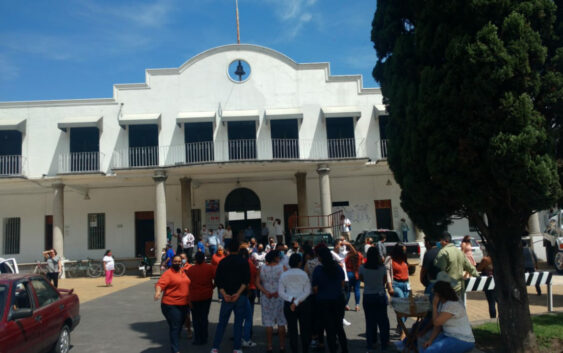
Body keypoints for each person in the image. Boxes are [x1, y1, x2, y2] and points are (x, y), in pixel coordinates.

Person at [210, 239, 250, 353]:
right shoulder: (243, 262)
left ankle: (215, 347)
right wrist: (238, 293)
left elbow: (218, 280)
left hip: (226, 296)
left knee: (222, 322)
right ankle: (237, 348)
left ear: (227, 249)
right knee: (238, 323)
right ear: (238, 248)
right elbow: (246, 281)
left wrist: (224, 294)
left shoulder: (223, 262)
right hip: (240, 296)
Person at [420, 272, 475, 353]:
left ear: (439, 293)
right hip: (449, 335)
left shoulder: (452, 304)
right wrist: (430, 340)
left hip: (461, 339)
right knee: (425, 348)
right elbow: (437, 327)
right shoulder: (443, 303)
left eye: (434, 291)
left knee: (430, 351)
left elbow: (436, 323)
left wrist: (434, 306)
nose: (433, 292)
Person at [312, 247, 348, 353]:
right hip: (338, 299)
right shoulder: (338, 268)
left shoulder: (318, 270)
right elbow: (342, 283)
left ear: (320, 257)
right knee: (339, 327)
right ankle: (345, 349)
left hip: (323, 301)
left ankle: (332, 349)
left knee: (329, 328)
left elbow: (315, 288)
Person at [154, 255, 191, 353]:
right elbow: (159, 284)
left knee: (178, 325)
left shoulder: (183, 271)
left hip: (184, 304)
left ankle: (175, 339)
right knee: (175, 326)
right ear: (172, 262)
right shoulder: (168, 273)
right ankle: (175, 350)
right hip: (171, 305)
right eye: (175, 261)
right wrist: (158, 292)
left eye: (179, 261)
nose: (177, 263)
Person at [279, 253, 312, 353]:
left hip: (289, 304)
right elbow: (307, 291)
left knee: (292, 330)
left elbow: (280, 292)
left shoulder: (284, 274)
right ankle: (305, 350)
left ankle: (294, 350)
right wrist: (297, 301)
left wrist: (292, 300)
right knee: (304, 329)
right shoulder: (304, 274)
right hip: (302, 303)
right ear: (300, 262)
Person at [359, 246, 391, 352]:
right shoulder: (381, 268)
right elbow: (384, 281)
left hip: (368, 295)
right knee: (383, 321)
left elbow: (361, 279)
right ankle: (384, 343)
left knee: (370, 321)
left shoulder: (362, 267)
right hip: (380, 295)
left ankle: (371, 343)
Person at [256, 250, 287, 353]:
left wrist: (266, 292)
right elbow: (286, 282)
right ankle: (282, 346)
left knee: (268, 322)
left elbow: (257, 283)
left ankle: (269, 346)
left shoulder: (262, 268)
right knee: (281, 321)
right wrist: (278, 291)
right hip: (279, 296)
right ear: (275, 258)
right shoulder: (282, 268)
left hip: (266, 297)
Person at [434, 232, 478, 299]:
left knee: (446, 308)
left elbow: (440, 270)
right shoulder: (459, 252)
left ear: (446, 241)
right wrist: (478, 277)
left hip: (447, 289)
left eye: (441, 240)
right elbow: (470, 267)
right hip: (459, 288)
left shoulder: (443, 252)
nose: (440, 242)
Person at [187, 251, 215, 345]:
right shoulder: (209, 268)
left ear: (195, 259)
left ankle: (197, 338)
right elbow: (217, 279)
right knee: (204, 317)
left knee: (195, 318)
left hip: (194, 296)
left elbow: (187, 284)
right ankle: (204, 337)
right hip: (206, 295)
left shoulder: (191, 270)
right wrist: (212, 286)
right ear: (204, 258)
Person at [390, 243, 410, 339]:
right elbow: (387, 273)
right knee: (403, 306)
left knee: (407, 308)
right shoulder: (391, 260)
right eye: (403, 249)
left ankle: (400, 325)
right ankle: (403, 331)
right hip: (396, 284)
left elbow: (407, 273)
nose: (405, 251)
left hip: (406, 284)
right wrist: (389, 287)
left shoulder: (404, 259)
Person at [240, 247, 258, 348]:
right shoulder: (251, 264)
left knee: (240, 315)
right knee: (249, 315)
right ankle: (247, 336)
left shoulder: (238, 264)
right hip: (250, 289)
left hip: (240, 291)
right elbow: (255, 275)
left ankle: (240, 335)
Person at [344, 243, 363, 312]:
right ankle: (357, 305)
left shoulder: (348, 255)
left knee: (348, 290)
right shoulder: (360, 255)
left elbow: (344, 263)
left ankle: (346, 305)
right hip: (357, 273)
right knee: (357, 289)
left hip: (349, 273)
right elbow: (362, 263)